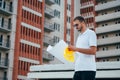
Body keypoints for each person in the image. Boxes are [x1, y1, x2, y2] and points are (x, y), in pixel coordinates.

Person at [68, 16, 97, 80]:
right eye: (74, 26)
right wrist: (72, 50)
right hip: (78, 69)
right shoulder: (79, 36)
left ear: (83, 22)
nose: (76, 27)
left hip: (88, 70)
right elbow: (79, 52)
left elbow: (93, 51)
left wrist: (76, 49)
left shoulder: (91, 33)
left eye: (77, 25)